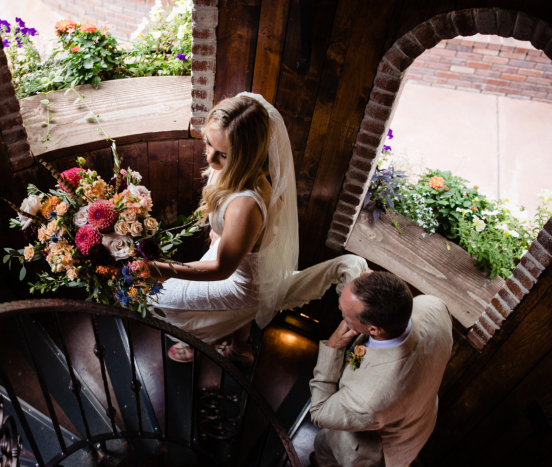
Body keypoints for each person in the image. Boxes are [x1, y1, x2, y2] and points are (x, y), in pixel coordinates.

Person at [150, 92, 367, 365]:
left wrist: (158, 269)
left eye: (223, 155)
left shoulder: (245, 206)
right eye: (208, 144)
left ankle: (203, 340)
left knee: (158, 301)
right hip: (241, 260)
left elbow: (221, 270)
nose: (210, 159)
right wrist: (221, 233)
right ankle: (239, 348)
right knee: (231, 312)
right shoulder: (248, 170)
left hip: (241, 280)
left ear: (245, 155)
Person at [308, 271, 453, 467]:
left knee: (325, 449)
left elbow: (319, 412)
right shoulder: (433, 305)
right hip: (417, 416)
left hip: (373, 446)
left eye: (345, 313)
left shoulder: (367, 400)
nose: (340, 307)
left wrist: (333, 348)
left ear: (374, 330)